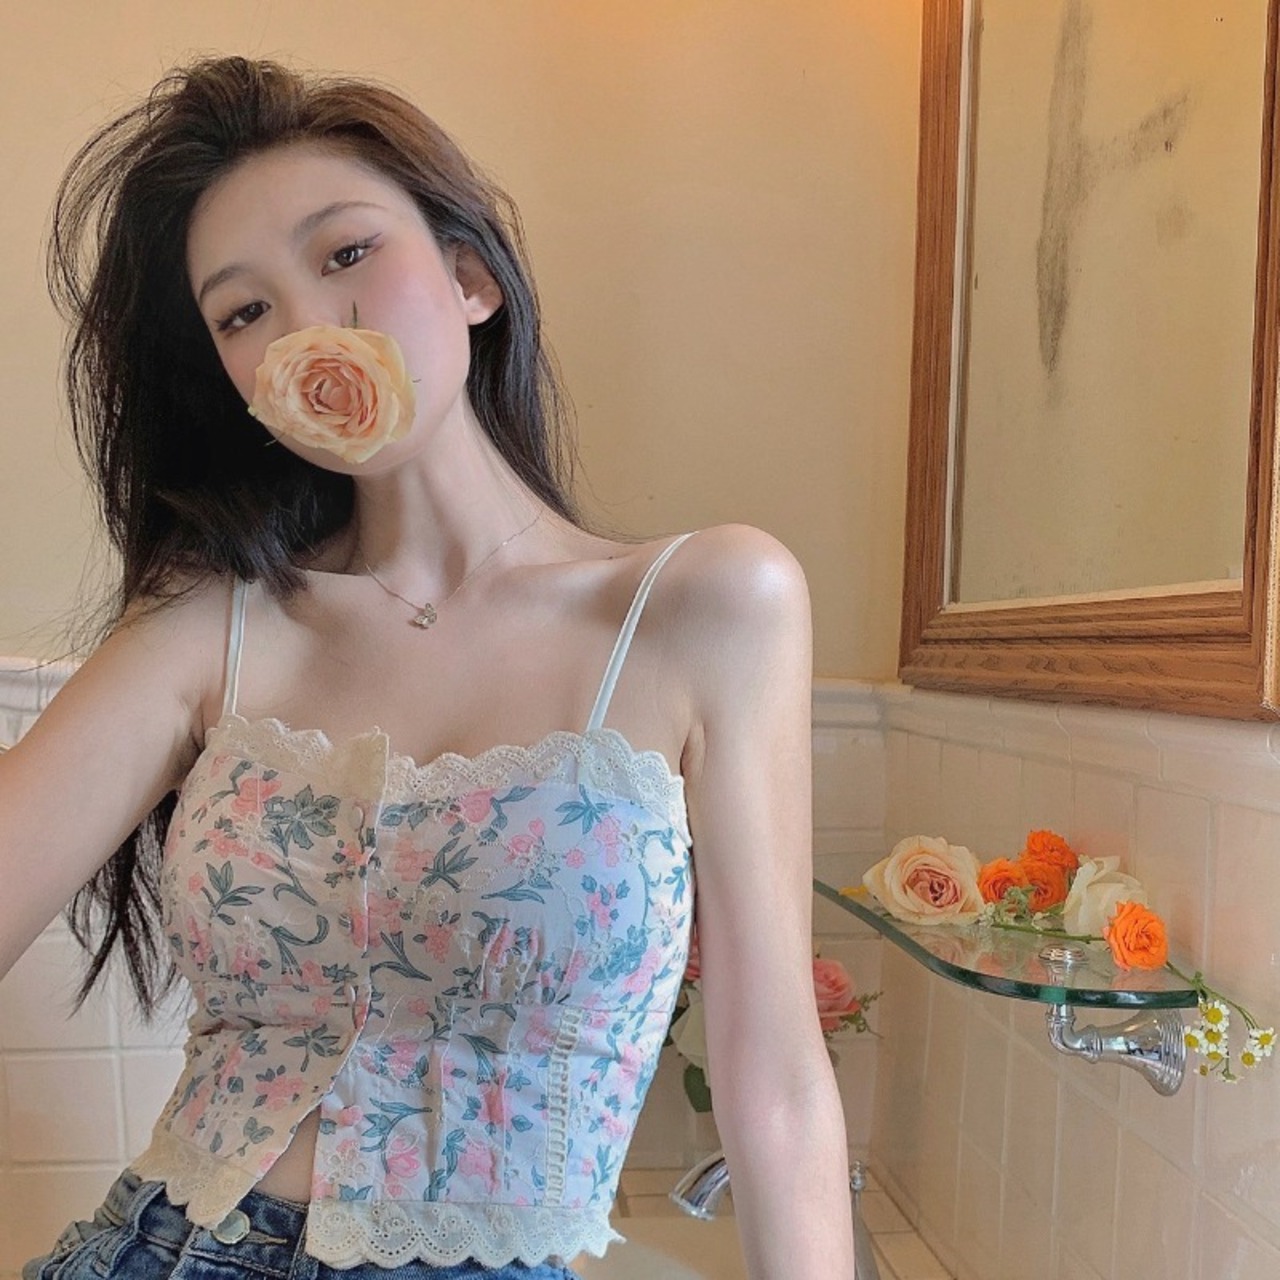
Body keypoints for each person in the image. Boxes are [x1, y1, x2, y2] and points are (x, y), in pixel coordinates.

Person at [1, 56, 855, 1280]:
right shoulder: (209, 622)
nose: (307, 324)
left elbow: (772, 1083)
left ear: (469, 277)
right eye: (243, 313)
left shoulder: (706, 603)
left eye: (346, 252)